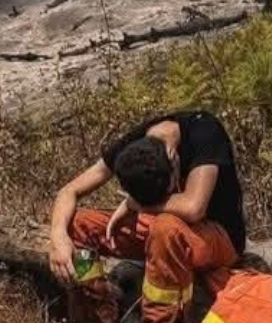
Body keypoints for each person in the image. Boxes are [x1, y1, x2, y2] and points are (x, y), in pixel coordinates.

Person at [49, 111, 246, 323]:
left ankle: (160, 318)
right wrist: (58, 236)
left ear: (174, 160)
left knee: (165, 227)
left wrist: (134, 204)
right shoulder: (135, 145)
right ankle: (100, 302)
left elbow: (193, 207)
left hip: (218, 236)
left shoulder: (205, 132)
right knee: (79, 224)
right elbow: (69, 191)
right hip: (164, 230)